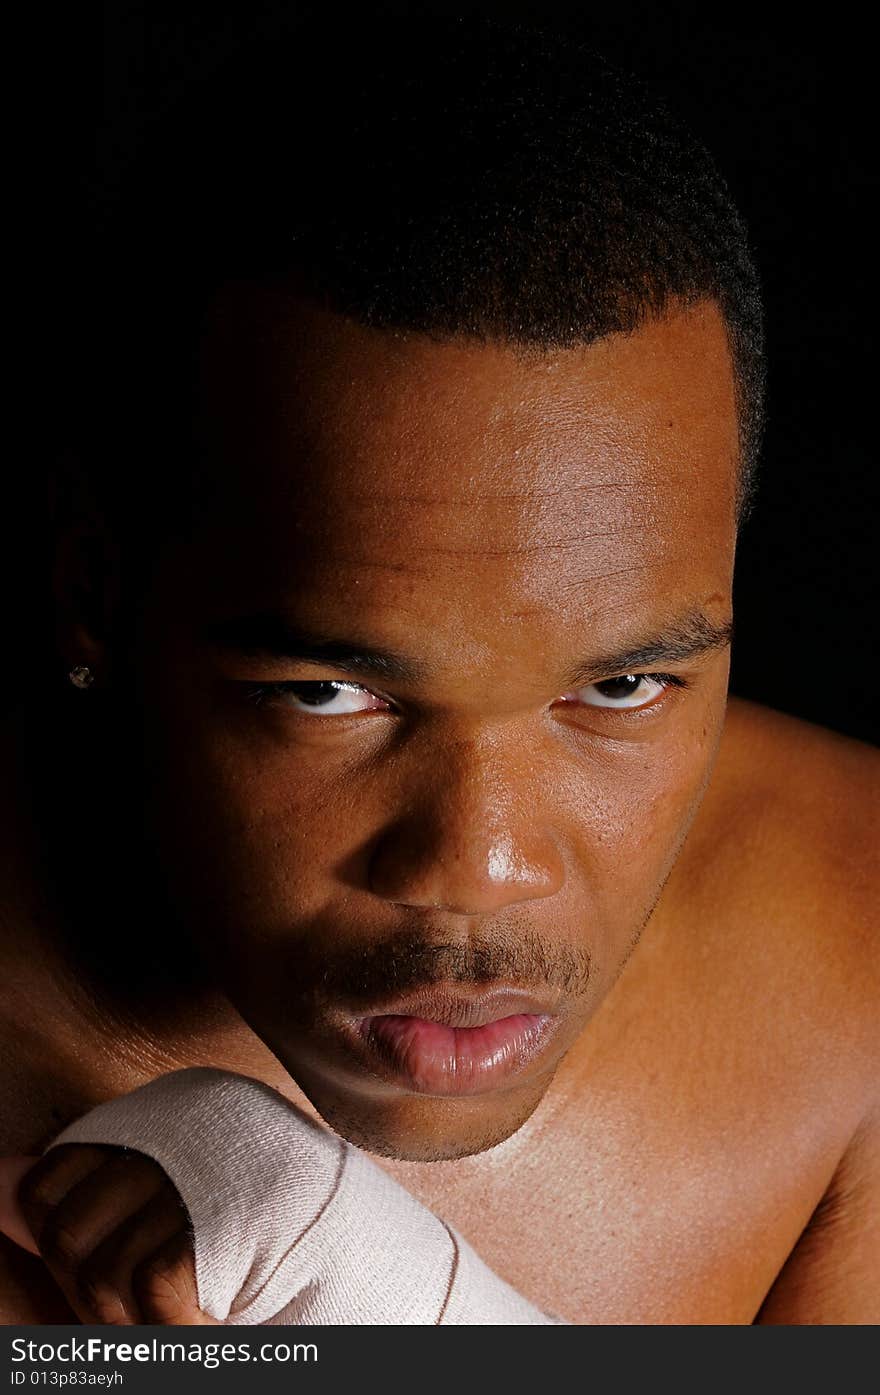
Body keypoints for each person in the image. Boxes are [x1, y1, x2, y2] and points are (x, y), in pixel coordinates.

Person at [1, 11, 877, 1324]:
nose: (480, 867)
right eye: (329, 694)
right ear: (91, 592)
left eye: (621, 687)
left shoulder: (856, 950)